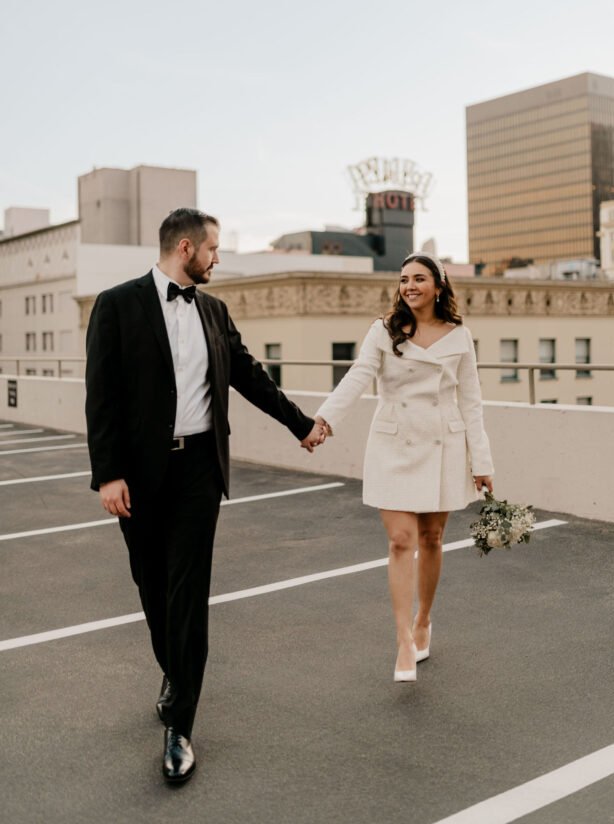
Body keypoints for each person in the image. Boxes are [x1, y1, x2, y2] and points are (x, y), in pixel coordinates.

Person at [85, 208, 326, 783]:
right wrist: (108, 473)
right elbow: (103, 395)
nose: (219, 259)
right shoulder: (117, 304)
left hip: (198, 470)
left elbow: (248, 375)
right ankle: (176, 675)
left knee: (188, 592)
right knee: (154, 588)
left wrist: (300, 424)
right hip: (139, 475)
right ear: (186, 248)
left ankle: (180, 724)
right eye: (214, 249)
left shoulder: (214, 311)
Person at [316, 252, 493, 682]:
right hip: (394, 443)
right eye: (403, 279)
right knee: (400, 541)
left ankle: (423, 621)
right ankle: (402, 640)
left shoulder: (459, 336)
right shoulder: (384, 330)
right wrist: (324, 419)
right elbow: (359, 375)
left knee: (431, 539)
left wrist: (482, 461)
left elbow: (471, 402)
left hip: (445, 446)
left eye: (419, 278)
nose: (409, 286)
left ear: (438, 285)